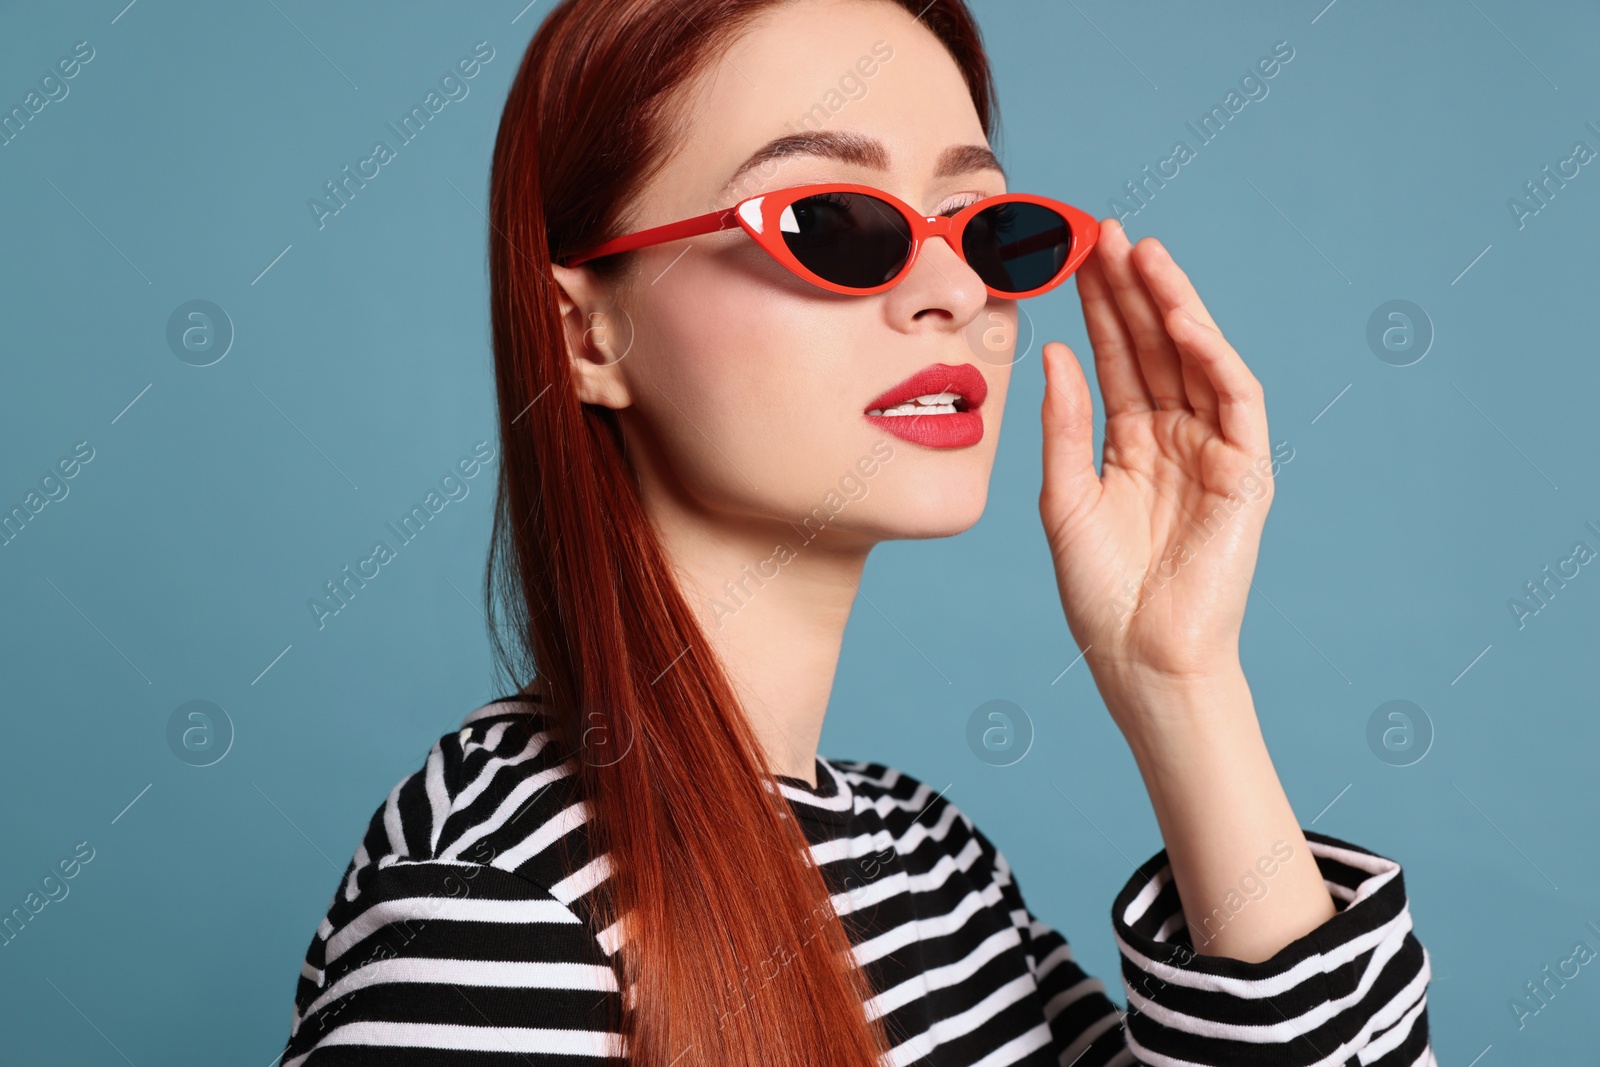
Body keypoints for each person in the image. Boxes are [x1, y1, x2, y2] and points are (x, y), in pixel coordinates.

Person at [277, 1, 1433, 1064]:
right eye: (835, 221)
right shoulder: (502, 905)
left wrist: (1179, 681)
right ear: (587, 336)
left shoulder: (934, 860)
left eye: (982, 227)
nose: (953, 291)